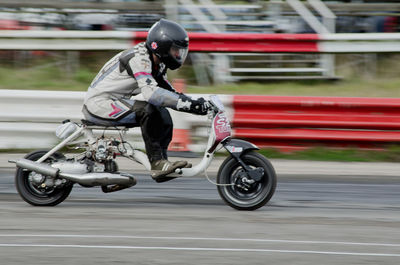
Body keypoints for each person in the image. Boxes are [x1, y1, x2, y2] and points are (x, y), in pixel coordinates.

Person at [82, 19, 209, 183]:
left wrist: (196, 104)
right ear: (161, 46)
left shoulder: (158, 62)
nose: (178, 55)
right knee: (148, 110)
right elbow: (152, 94)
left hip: (112, 102)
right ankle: (157, 163)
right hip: (98, 104)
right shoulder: (140, 58)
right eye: (175, 50)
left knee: (164, 116)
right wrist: (191, 105)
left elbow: (169, 93)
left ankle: (162, 163)